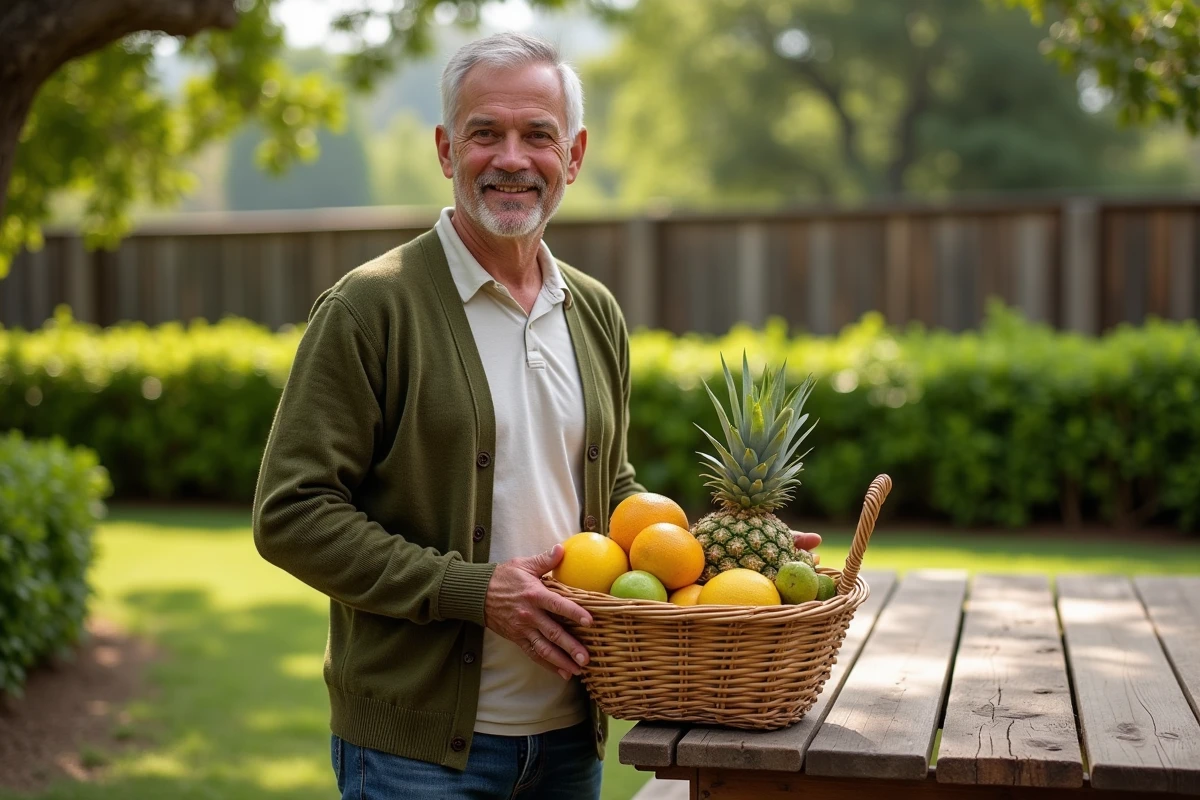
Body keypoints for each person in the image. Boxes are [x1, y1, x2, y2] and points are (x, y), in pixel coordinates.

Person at [252, 31, 821, 800]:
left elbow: (606, 488)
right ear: (447, 150)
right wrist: (473, 590)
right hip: (417, 756)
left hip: (567, 741)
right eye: (485, 133)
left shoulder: (593, 311)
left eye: (538, 135)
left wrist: (719, 554)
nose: (512, 158)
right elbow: (291, 514)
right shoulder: (369, 309)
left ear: (575, 155)